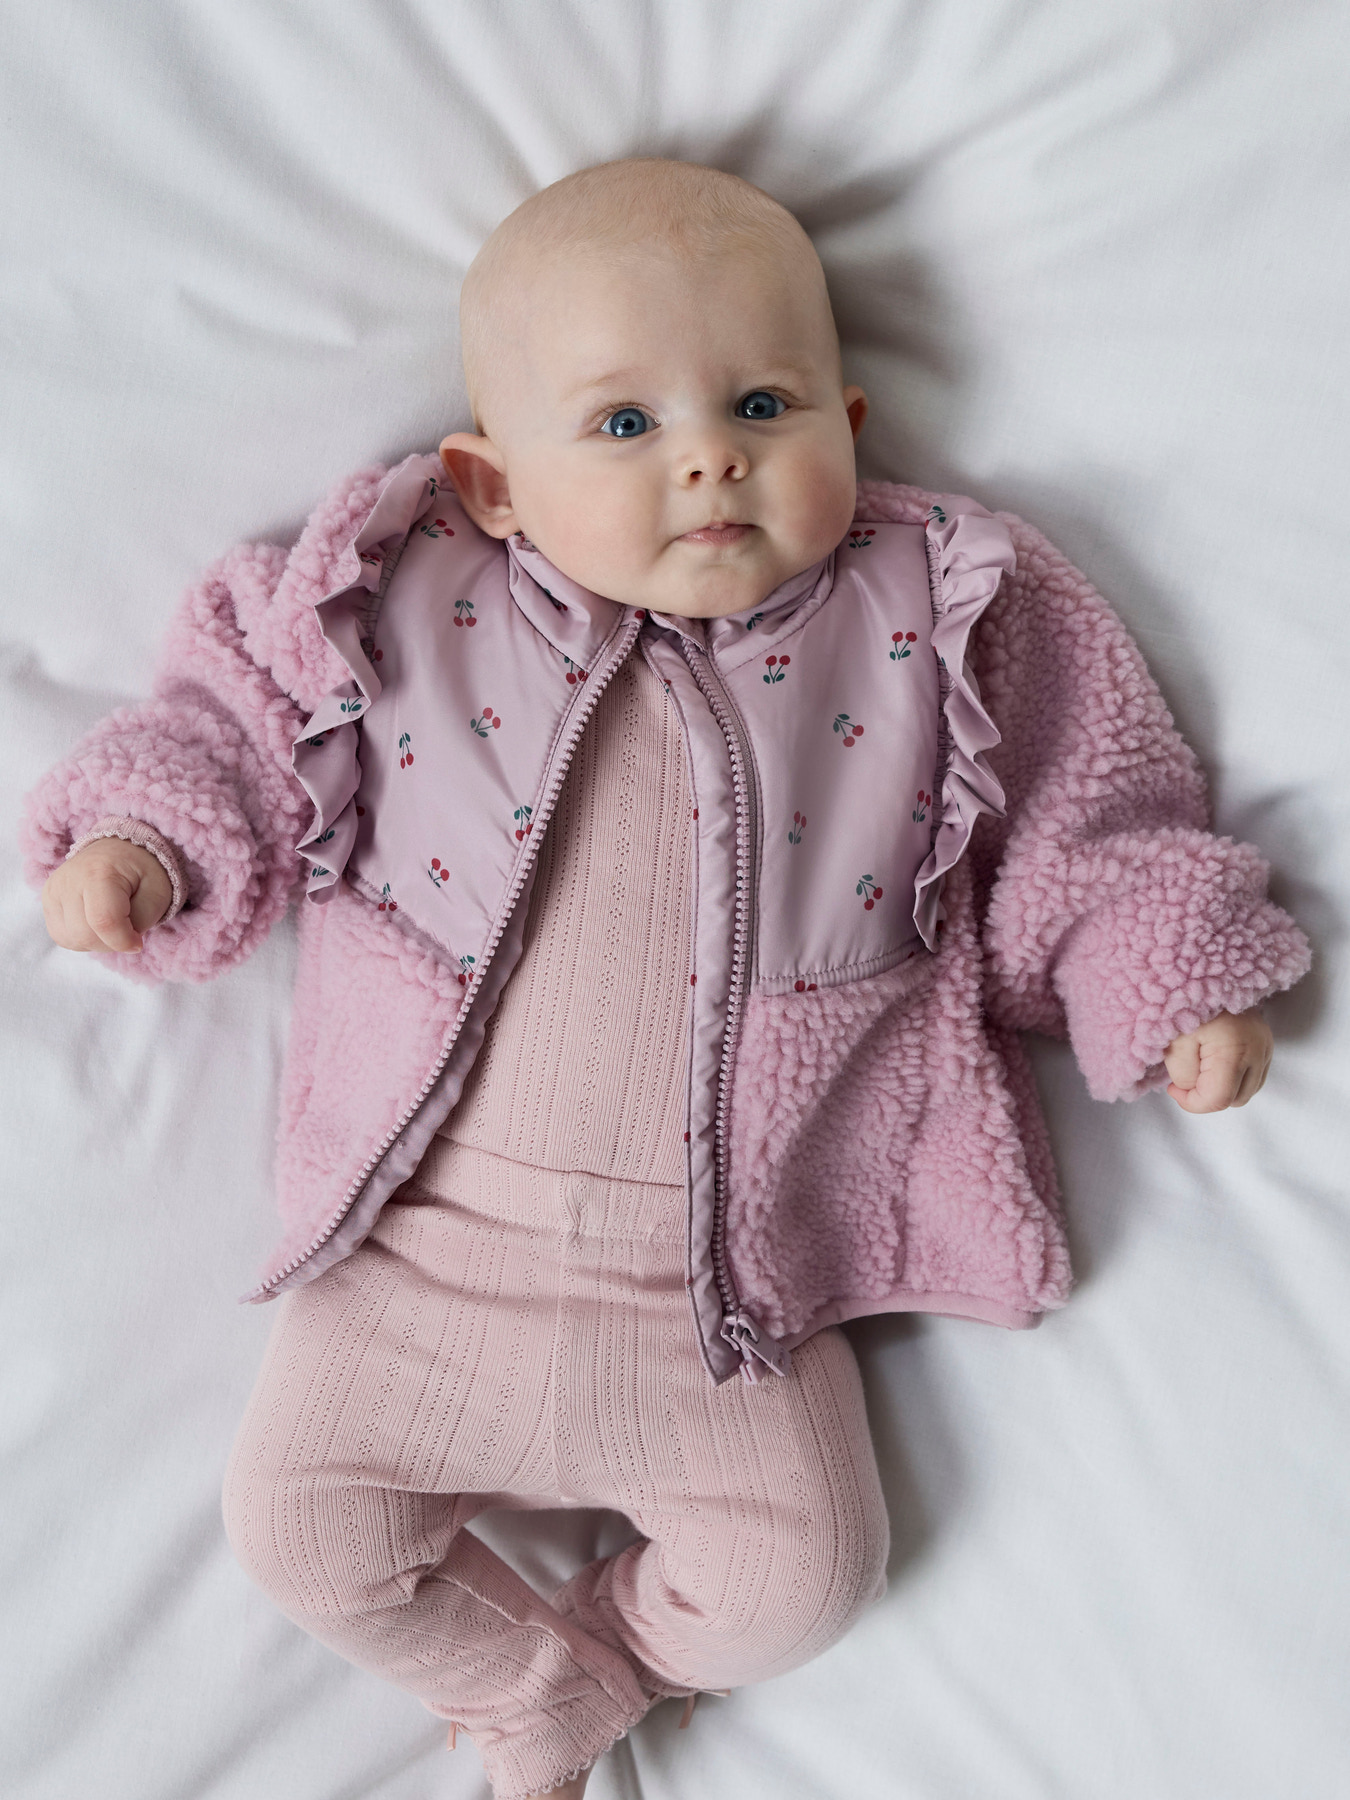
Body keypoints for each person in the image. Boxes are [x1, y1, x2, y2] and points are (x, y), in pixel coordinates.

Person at [26, 160, 1309, 1799]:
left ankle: (603, 1671)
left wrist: (1160, 971)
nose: (709, 454)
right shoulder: (399, 586)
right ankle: (533, 1683)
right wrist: (144, 835)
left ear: (848, 423)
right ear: (492, 483)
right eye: (624, 424)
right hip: (416, 1263)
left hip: (735, 1296)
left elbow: (1088, 805)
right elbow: (239, 724)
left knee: (801, 1588)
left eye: (762, 404)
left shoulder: (941, 609)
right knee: (299, 1535)